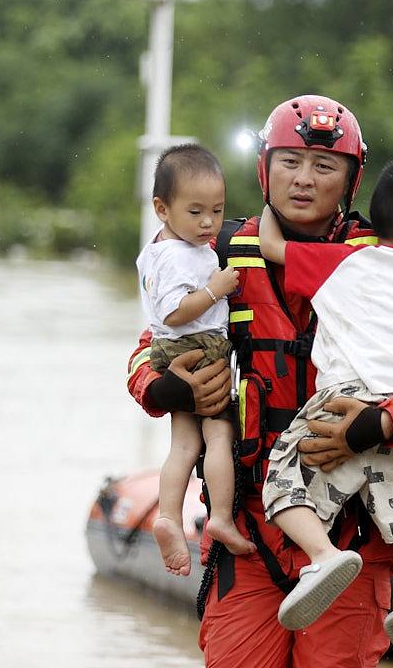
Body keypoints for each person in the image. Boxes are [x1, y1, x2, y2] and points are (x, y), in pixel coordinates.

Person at [125, 95, 393, 668]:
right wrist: (165, 388)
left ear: (352, 178)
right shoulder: (210, 252)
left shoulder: (390, 262)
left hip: (356, 534)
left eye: (324, 166)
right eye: (289, 162)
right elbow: (149, 348)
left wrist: (383, 422)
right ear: (264, 168)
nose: (304, 180)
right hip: (250, 524)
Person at [257, 159, 393, 668]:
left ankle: (324, 557)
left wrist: (269, 205)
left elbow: (271, 248)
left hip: (339, 399)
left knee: (280, 486)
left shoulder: (338, 262)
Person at [135, 144, 256, 576]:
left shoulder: (160, 247)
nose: (208, 224)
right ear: (162, 209)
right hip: (199, 347)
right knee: (218, 436)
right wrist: (217, 288)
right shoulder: (178, 254)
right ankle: (220, 518)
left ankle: (168, 515)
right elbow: (172, 311)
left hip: (172, 352)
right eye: (196, 212)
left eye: (218, 211)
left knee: (184, 445)